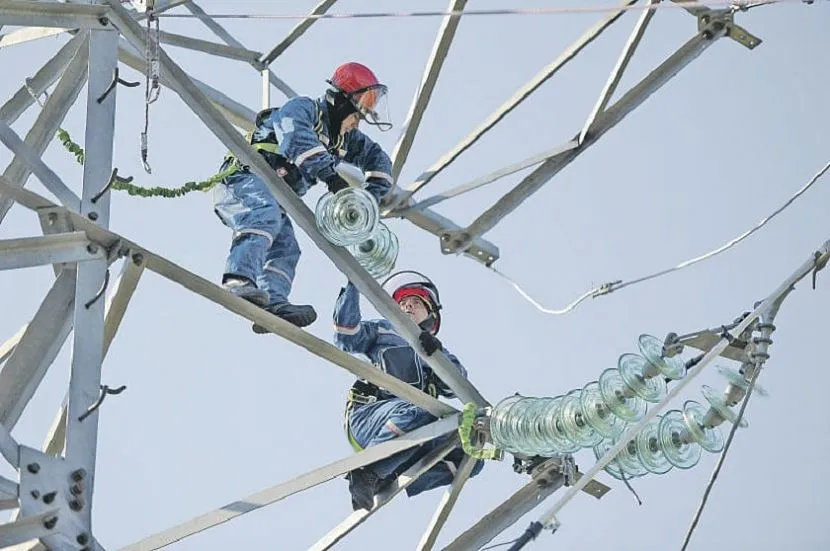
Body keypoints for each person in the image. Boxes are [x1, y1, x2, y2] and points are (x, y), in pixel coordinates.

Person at [214, 62, 395, 331]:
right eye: (359, 109)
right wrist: (331, 176)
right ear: (343, 101)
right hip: (246, 179)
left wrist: (367, 199)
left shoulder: (344, 140)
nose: (360, 119)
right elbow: (296, 137)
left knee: (286, 248)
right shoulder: (306, 110)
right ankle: (238, 279)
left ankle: (272, 301)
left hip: (277, 198)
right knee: (264, 217)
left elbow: (380, 161)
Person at [332, 272, 485, 511]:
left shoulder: (434, 350)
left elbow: (457, 385)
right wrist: (355, 284)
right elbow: (345, 335)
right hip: (371, 417)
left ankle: (387, 475)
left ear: (431, 314)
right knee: (422, 409)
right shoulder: (382, 330)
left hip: (414, 429)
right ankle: (367, 472)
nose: (407, 306)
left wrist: (437, 356)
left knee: (471, 459)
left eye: (416, 301)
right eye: (402, 302)